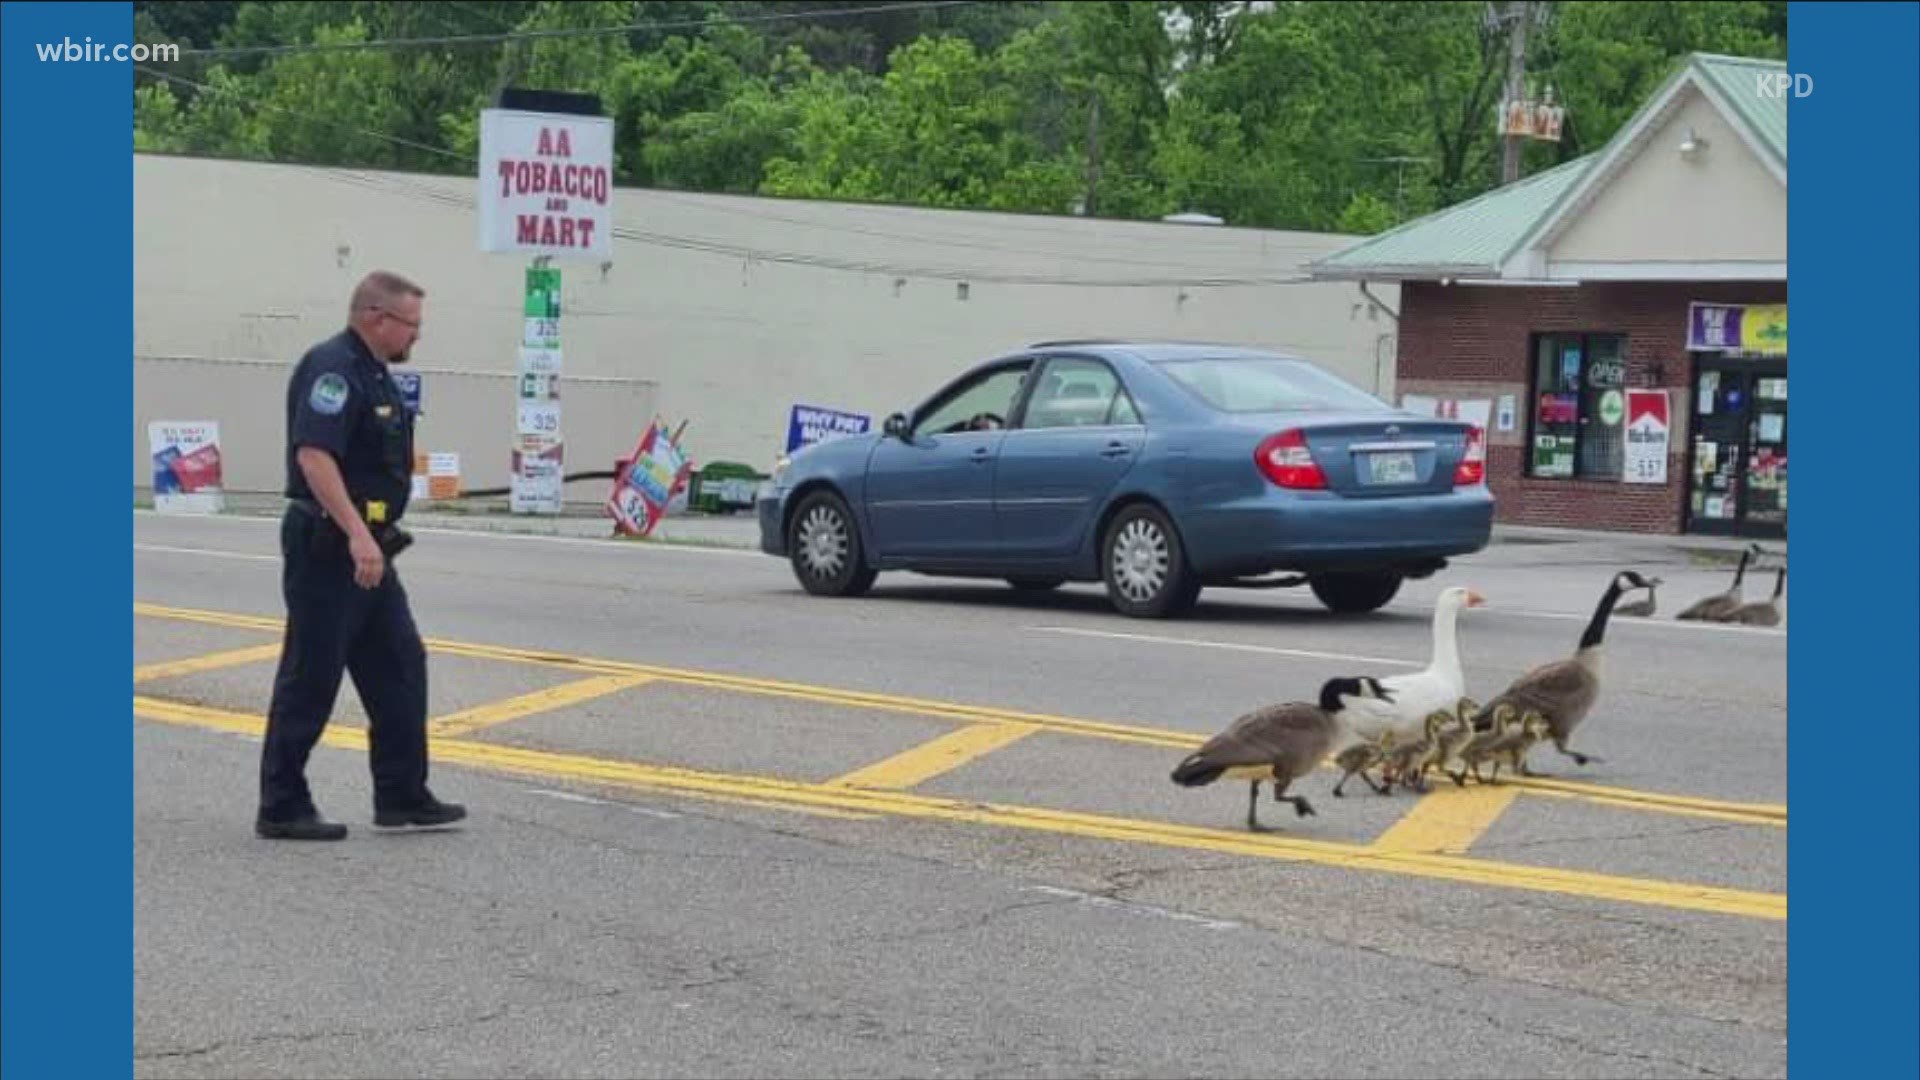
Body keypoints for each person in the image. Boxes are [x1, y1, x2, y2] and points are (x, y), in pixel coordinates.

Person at [255, 271, 465, 840]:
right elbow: (315, 457)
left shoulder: (374, 374)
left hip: (367, 547)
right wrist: (357, 534)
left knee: (400, 664)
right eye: (411, 326)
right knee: (312, 674)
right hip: (331, 546)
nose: (415, 337)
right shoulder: (333, 369)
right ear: (378, 317)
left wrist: (372, 537)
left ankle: (401, 794)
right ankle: (282, 804)